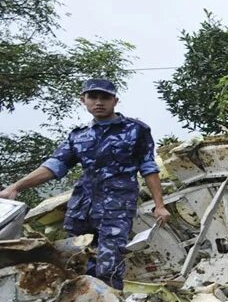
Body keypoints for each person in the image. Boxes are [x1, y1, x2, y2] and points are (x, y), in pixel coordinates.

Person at [0, 79, 170, 289]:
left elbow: (148, 168)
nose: (99, 102)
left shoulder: (136, 130)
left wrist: (159, 205)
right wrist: (15, 187)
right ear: (84, 100)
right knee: (77, 265)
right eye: (93, 97)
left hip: (115, 210)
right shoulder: (78, 135)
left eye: (105, 97)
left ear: (115, 100)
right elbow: (54, 166)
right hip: (82, 210)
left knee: (109, 267)